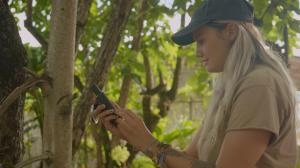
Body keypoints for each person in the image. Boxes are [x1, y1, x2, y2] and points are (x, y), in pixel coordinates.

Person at [95, 0, 297, 167]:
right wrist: (133, 136)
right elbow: (189, 160)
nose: (197, 51)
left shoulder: (259, 85)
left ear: (231, 31)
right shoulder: (230, 88)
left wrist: (149, 142)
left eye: (201, 40)